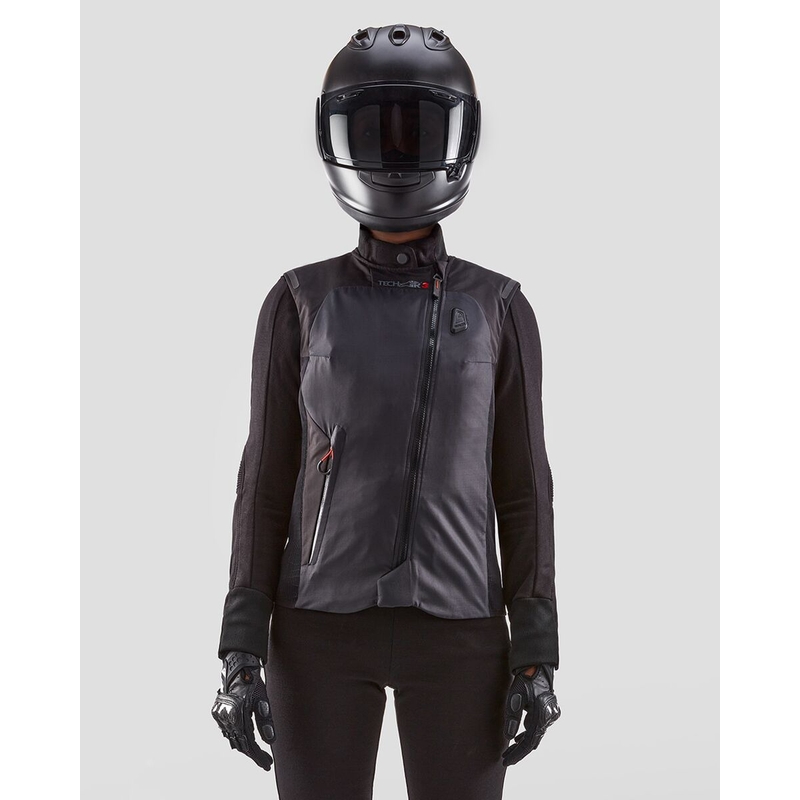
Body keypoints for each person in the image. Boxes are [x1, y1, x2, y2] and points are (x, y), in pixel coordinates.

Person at [211, 23, 561, 800]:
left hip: (462, 631)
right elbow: (263, 486)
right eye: (377, 131)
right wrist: (240, 649)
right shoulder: (300, 302)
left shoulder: (499, 308)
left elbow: (523, 491)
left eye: (418, 131)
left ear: (460, 139)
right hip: (317, 633)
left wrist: (537, 651)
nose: (398, 153)